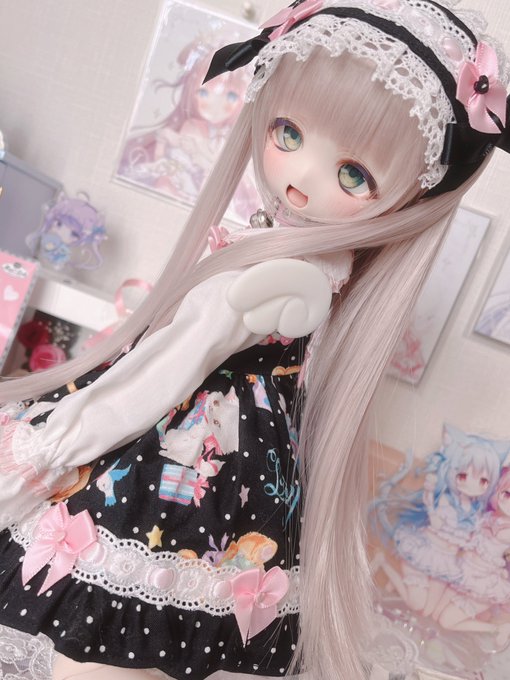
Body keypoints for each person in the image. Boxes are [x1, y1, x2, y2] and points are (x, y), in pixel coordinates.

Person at [1, 1, 510, 679]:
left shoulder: (285, 275)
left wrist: (52, 448)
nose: (299, 177)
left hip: (183, 456)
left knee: (104, 639)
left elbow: (165, 369)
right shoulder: (302, 261)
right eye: (287, 132)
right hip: (228, 465)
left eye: (353, 175)